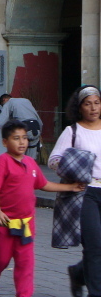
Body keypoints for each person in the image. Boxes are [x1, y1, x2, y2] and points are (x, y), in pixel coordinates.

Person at [0, 120, 86, 297]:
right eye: (16, 138)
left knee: (25, 263)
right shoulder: (2, 162)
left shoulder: (30, 163)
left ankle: (24, 294)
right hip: (3, 224)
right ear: (5, 142)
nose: (22, 142)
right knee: (0, 260)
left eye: (24, 138)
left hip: (26, 226)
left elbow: (44, 184)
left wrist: (70, 187)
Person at [49, 85, 101, 297]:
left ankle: (78, 273)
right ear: (79, 107)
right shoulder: (73, 131)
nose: (93, 108)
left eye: (97, 102)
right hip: (85, 193)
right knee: (94, 246)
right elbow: (54, 161)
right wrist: (74, 168)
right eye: (87, 104)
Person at [0, 94, 43, 159]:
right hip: (36, 128)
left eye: (2, 105)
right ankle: (30, 167)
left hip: (24, 128)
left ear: (4, 100)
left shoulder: (8, 103)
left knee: (19, 156)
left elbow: (1, 121)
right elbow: (39, 121)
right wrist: (40, 132)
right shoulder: (26, 101)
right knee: (31, 158)